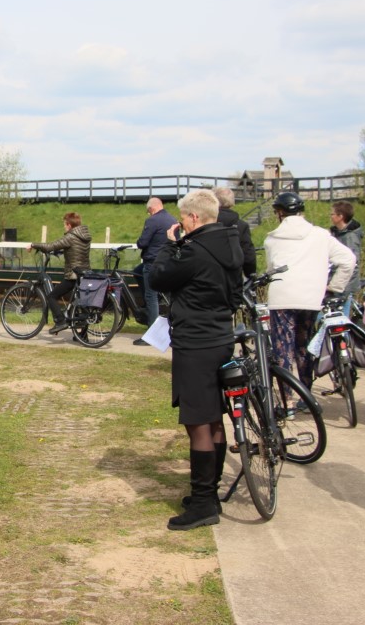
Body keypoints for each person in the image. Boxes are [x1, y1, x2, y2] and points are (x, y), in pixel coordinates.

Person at [148, 189, 243, 530]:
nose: (181, 224)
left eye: (182, 219)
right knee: (213, 418)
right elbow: (236, 296)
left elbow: (157, 277)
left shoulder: (194, 251)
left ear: (192, 218)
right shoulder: (231, 244)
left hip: (196, 342)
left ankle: (203, 504)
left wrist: (170, 245)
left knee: (198, 422)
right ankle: (209, 494)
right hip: (221, 337)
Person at [263, 192, 356, 399]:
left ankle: (287, 399)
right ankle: (306, 397)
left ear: (280, 213)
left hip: (282, 297)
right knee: (303, 345)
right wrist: (334, 286)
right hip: (310, 297)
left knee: (282, 349)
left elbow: (270, 270)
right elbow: (348, 260)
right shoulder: (321, 235)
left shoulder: (272, 239)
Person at [29, 211, 92, 335]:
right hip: (85, 273)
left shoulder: (70, 237)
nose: (64, 226)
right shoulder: (85, 236)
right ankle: (83, 336)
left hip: (73, 275)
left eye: (64, 224)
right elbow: (76, 251)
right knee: (79, 304)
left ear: (69, 225)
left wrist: (33, 244)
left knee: (51, 296)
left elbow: (50, 246)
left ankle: (60, 321)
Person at [135, 197, 180, 344]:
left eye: (148, 211)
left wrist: (138, 242)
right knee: (137, 271)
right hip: (168, 261)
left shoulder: (152, 220)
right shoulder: (172, 219)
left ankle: (151, 335)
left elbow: (143, 242)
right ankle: (155, 301)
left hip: (152, 262)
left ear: (151, 209)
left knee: (151, 296)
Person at [213, 186, 257, 276]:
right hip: (233, 276)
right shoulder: (242, 226)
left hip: (208, 274)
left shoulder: (206, 222)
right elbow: (248, 254)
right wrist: (250, 274)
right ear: (232, 201)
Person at [329, 200, 364, 315]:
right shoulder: (337, 233)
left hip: (344, 286)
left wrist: (344, 288)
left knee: (341, 317)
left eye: (332, 214)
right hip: (336, 281)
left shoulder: (349, 237)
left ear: (340, 217)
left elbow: (353, 264)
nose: (330, 216)